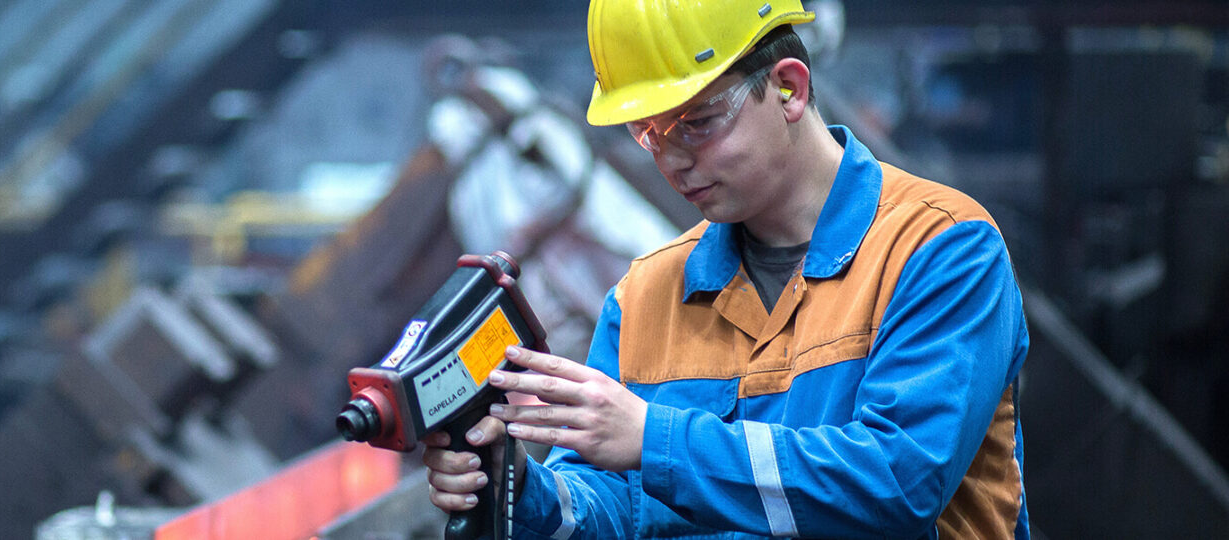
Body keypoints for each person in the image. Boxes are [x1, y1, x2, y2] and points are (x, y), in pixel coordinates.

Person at [421, 0, 1031, 538]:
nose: (672, 160)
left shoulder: (940, 249)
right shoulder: (644, 297)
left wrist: (654, 440)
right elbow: (613, 510)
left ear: (788, 88)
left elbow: (897, 484)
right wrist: (516, 484)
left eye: (696, 123)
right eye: (647, 132)